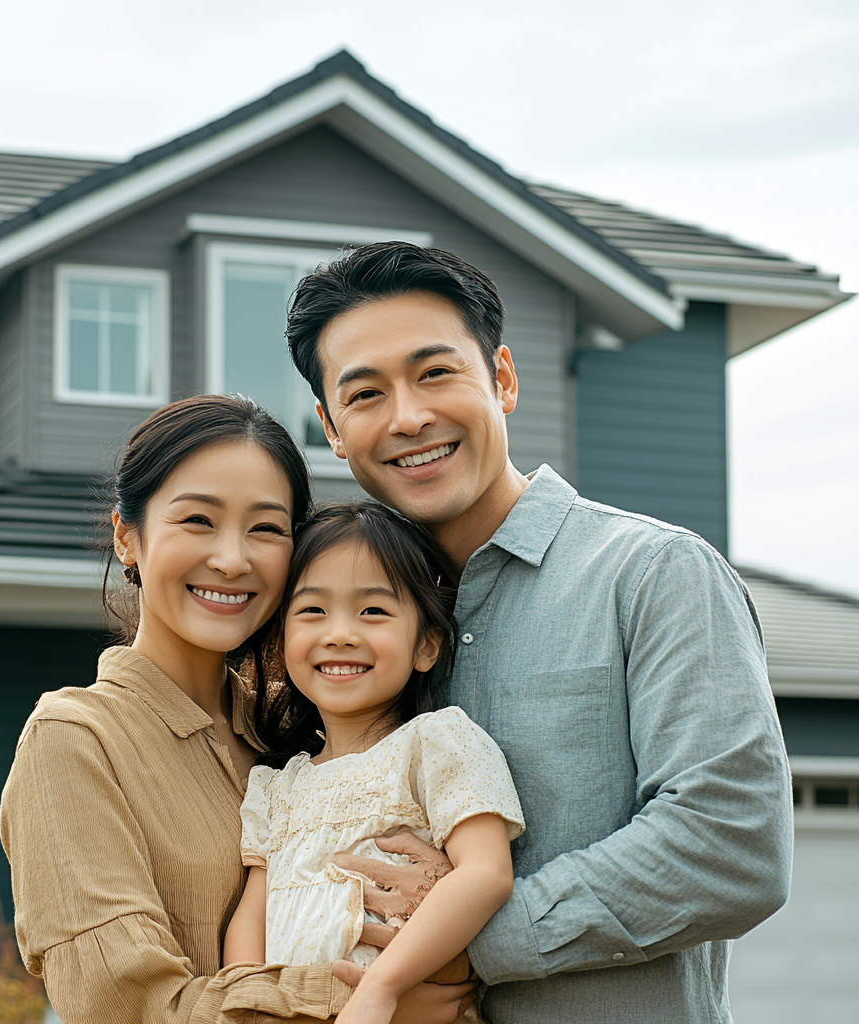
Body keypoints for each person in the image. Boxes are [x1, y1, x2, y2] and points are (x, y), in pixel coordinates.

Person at [284, 243, 793, 1024]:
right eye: (365, 394)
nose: (409, 416)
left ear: (504, 379)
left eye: (435, 372)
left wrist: (470, 935)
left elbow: (732, 844)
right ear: (333, 428)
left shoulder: (653, 573)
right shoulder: (340, 636)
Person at [0, 395, 476, 1024]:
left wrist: (442, 940)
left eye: (266, 528)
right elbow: (126, 1006)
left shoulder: (310, 728)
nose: (232, 558)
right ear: (127, 537)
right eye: (197, 520)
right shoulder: (76, 740)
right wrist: (362, 994)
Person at [223, 502, 524, 1024]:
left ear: (426, 645)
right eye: (313, 610)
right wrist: (252, 1004)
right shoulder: (275, 785)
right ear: (280, 640)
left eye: (373, 611)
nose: (340, 633)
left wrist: (381, 989)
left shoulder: (437, 743)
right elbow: (252, 913)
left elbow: (486, 873)